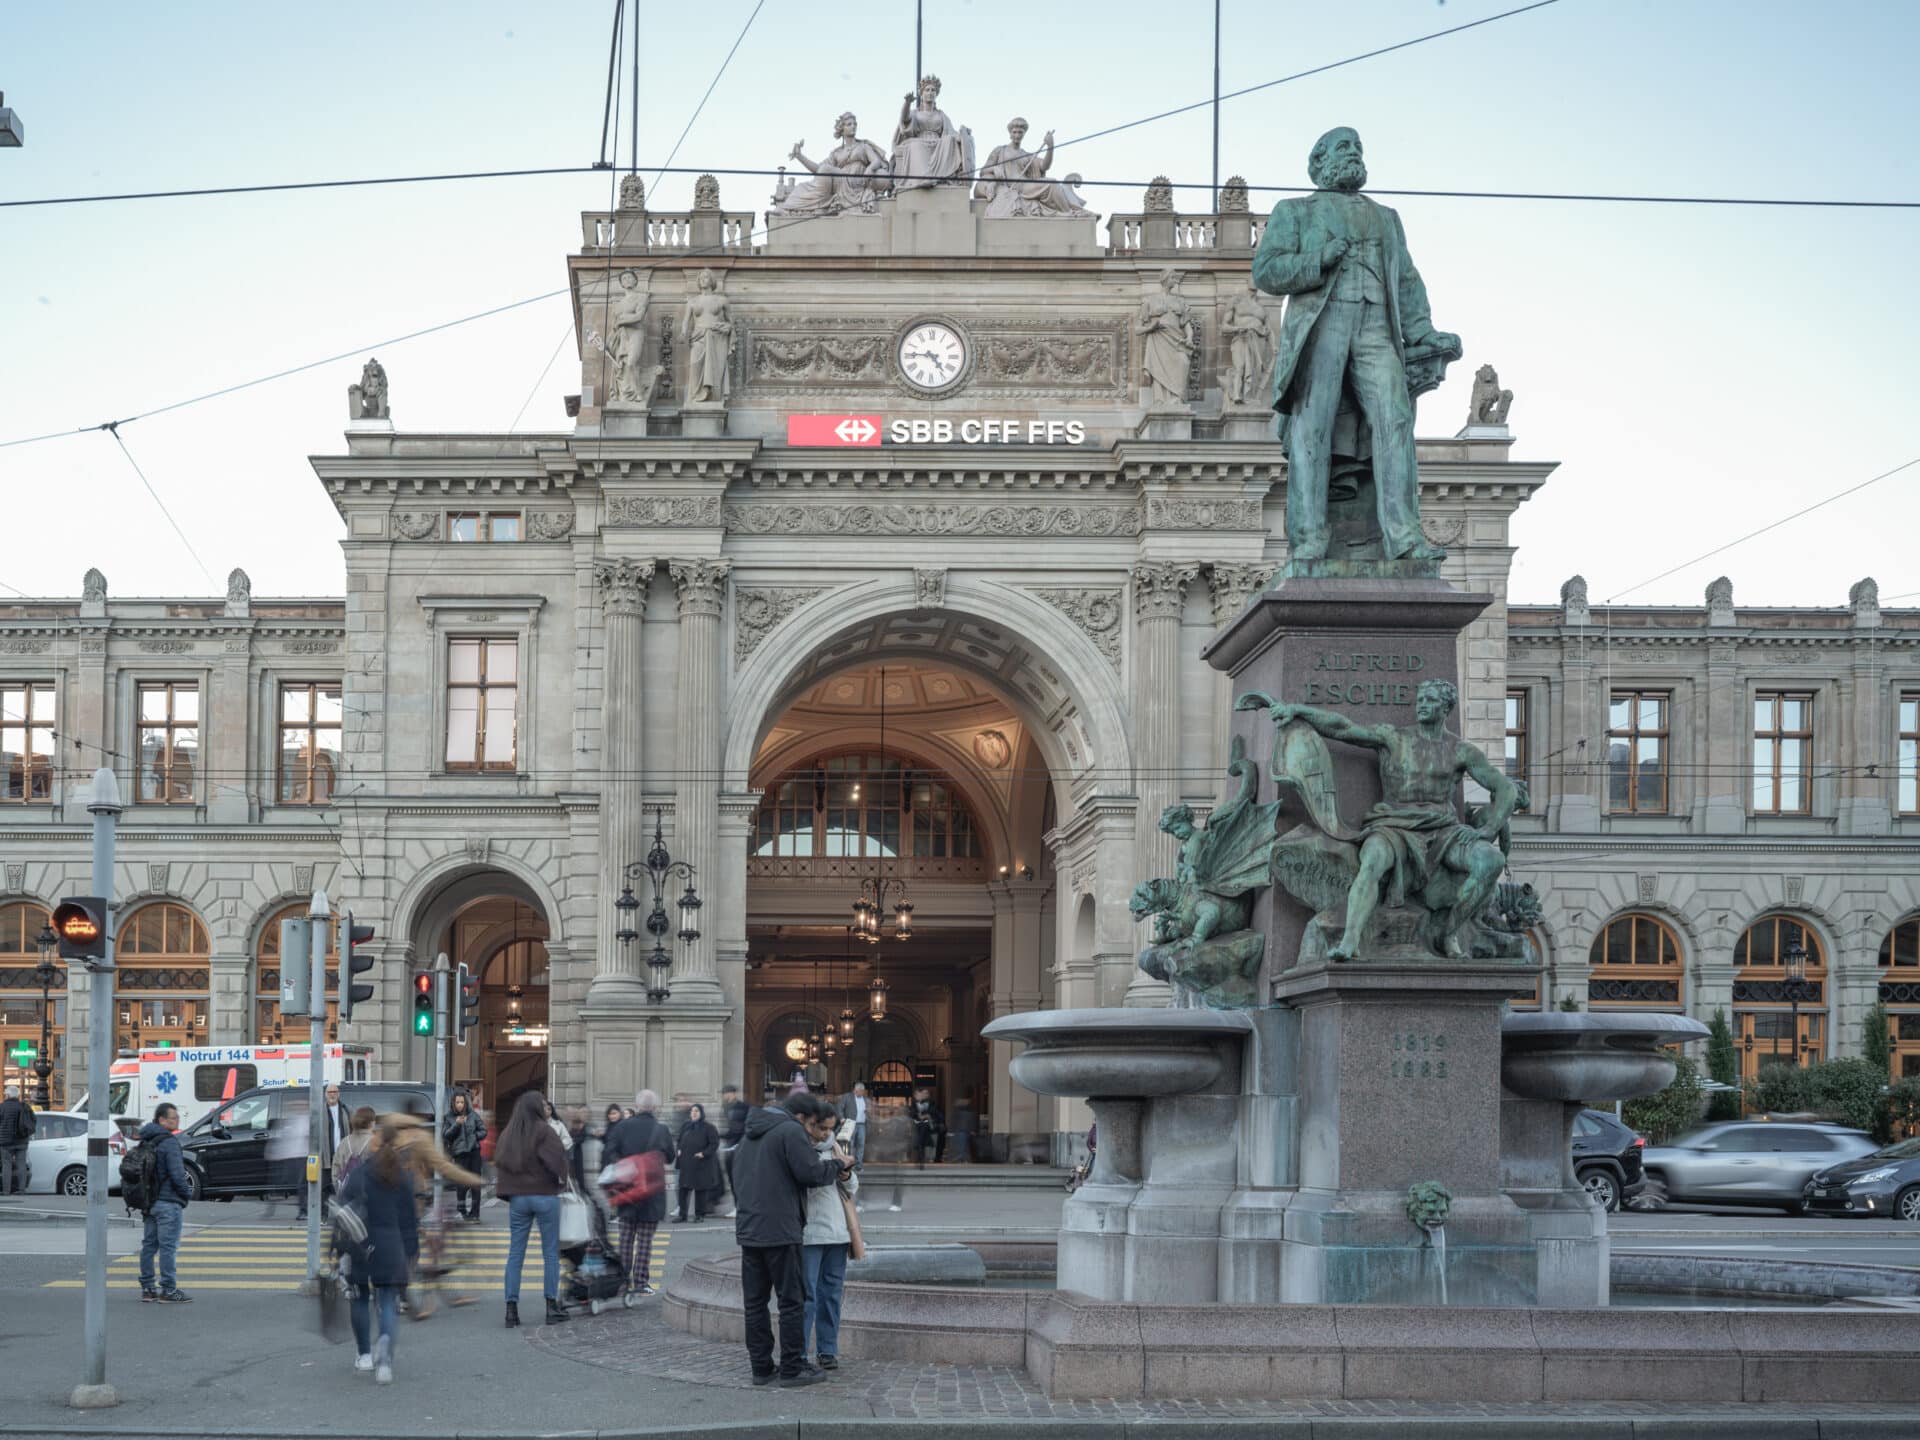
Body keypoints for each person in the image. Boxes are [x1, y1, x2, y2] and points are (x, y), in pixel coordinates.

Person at [1251, 126, 1460, 565]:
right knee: (1313, 427)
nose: (1354, 153)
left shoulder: (1386, 217)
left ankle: (1404, 537)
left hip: (1376, 327)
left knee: (1396, 419)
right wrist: (1317, 260)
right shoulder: (1295, 211)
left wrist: (1422, 331)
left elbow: (1406, 280)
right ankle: (1308, 539)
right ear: (1319, 162)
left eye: (1358, 147)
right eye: (1343, 147)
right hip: (1322, 325)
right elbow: (1266, 271)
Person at [731, 1092, 850, 1388]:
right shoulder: (789, 1130)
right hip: (781, 1230)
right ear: (801, 1117)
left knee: (755, 1303)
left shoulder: (749, 1133)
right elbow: (810, 1172)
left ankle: (761, 1368)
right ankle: (793, 1368)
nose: (810, 1131)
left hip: (749, 1228)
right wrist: (838, 1165)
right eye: (810, 1124)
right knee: (791, 1301)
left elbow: (733, 1172)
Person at [338, 1117, 419, 1384]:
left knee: (360, 1298)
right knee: (387, 1300)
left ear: (375, 1144)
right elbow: (410, 1221)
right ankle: (384, 1352)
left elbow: (343, 1208)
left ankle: (363, 1355)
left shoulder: (360, 1173)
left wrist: (339, 1250)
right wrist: (411, 1253)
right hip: (391, 1246)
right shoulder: (403, 1177)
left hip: (361, 1245)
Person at [492, 1091, 571, 1327]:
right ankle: (551, 1307)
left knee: (515, 1254)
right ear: (537, 1108)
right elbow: (557, 1161)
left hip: (518, 1199)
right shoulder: (545, 1131)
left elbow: (501, 1164)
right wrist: (562, 1181)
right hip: (544, 1196)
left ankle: (511, 1310)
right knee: (550, 1253)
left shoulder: (509, 1133)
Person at [799, 1101, 857, 1372]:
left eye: (830, 1129)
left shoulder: (835, 1146)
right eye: (822, 1128)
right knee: (807, 1296)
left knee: (831, 1294)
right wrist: (830, 1169)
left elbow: (852, 1188)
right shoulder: (799, 1148)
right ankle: (799, 1352)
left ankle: (827, 1350)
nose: (825, 1133)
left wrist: (845, 1173)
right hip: (810, 1232)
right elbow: (807, 1180)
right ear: (809, 1123)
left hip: (837, 1232)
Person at [601, 1089, 675, 1300]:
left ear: (637, 1105)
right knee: (645, 1241)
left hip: (627, 1190)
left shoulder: (622, 1127)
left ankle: (624, 1281)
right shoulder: (661, 1130)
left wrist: (626, 1167)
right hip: (652, 1192)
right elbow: (670, 1157)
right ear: (655, 1107)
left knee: (625, 1238)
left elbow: (609, 1153)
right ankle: (641, 1283)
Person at [136, 1102, 192, 1303]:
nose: (177, 1120)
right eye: (173, 1118)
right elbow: (177, 1175)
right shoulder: (169, 1142)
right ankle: (168, 1290)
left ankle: (148, 1289)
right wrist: (186, 1194)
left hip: (148, 1202)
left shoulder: (146, 1140)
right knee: (168, 1247)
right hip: (168, 1202)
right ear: (161, 1120)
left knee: (149, 1246)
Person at [674, 1102, 722, 1223]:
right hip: (686, 1163)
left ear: (701, 1113)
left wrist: (704, 1153)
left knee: (700, 1190)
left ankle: (699, 1215)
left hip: (701, 1163)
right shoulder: (686, 1125)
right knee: (683, 1190)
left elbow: (714, 1144)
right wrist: (679, 1150)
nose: (693, 1113)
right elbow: (679, 1140)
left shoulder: (709, 1127)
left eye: (696, 1111)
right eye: (692, 1111)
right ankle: (682, 1215)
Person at [442, 1090, 486, 1220]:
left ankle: (475, 1213)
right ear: (453, 1103)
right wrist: (457, 1124)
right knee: (461, 1183)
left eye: (462, 1102)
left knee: (475, 1183)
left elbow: (483, 1131)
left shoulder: (473, 1115)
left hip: (474, 1152)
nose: (460, 1104)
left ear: (465, 1103)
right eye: (457, 1102)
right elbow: (446, 1135)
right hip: (460, 1154)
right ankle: (462, 1209)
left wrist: (474, 1136)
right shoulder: (449, 1117)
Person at [718, 1083, 748, 1218]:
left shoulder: (743, 1107)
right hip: (729, 1146)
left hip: (738, 1147)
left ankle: (740, 1207)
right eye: (724, 1093)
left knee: (738, 1179)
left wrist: (725, 1135)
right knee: (732, 1178)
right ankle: (737, 1206)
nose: (725, 1096)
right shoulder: (725, 1108)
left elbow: (739, 1128)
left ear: (734, 1094)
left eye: (727, 1093)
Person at [0, 1084, 33, 1195]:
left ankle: (6, 1191)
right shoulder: (24, 1106)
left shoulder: (2, 1107)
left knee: (6, 1165)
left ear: (8, 1095)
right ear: (18, 1096)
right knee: (21, 1164)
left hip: (5, 1142)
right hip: (22, 1140)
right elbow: (32, 1121)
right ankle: (21, 1189)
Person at [332, 1106, 378, 1185]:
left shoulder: (345, 1141)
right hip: (368, 1188)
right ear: (372, 1123)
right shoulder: (376, 1141)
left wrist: (339, 1188)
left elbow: (336, 1168)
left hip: (347, 1189)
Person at [910, 1088, 946, 1167]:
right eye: (922, 1093)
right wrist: (918, 1116)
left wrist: (930, 1117)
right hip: (919, 1128)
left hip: (930, 1128)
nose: (923, 1095)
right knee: (920, 1143)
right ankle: (920, 1158)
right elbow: (912, 1114)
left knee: (930, 1145)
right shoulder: (914, 1105)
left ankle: (929, 1159)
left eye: (925, 1093)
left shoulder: (932, 1105)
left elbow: (939, 1115)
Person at [838, 1082, 868, 1169]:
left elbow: (869, 1109)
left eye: (862, 1091)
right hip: (850, 1123)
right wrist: (842, 1118)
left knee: (861, 1144)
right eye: (859, 1091)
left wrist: (868, 1111)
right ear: (855, 1090)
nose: (861, 1093)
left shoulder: (865, 1099)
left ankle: (858, 1165)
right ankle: (850, 1164)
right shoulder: (847, 1097)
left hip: (862, 1124)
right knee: (850, 1144)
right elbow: (840, 1108)